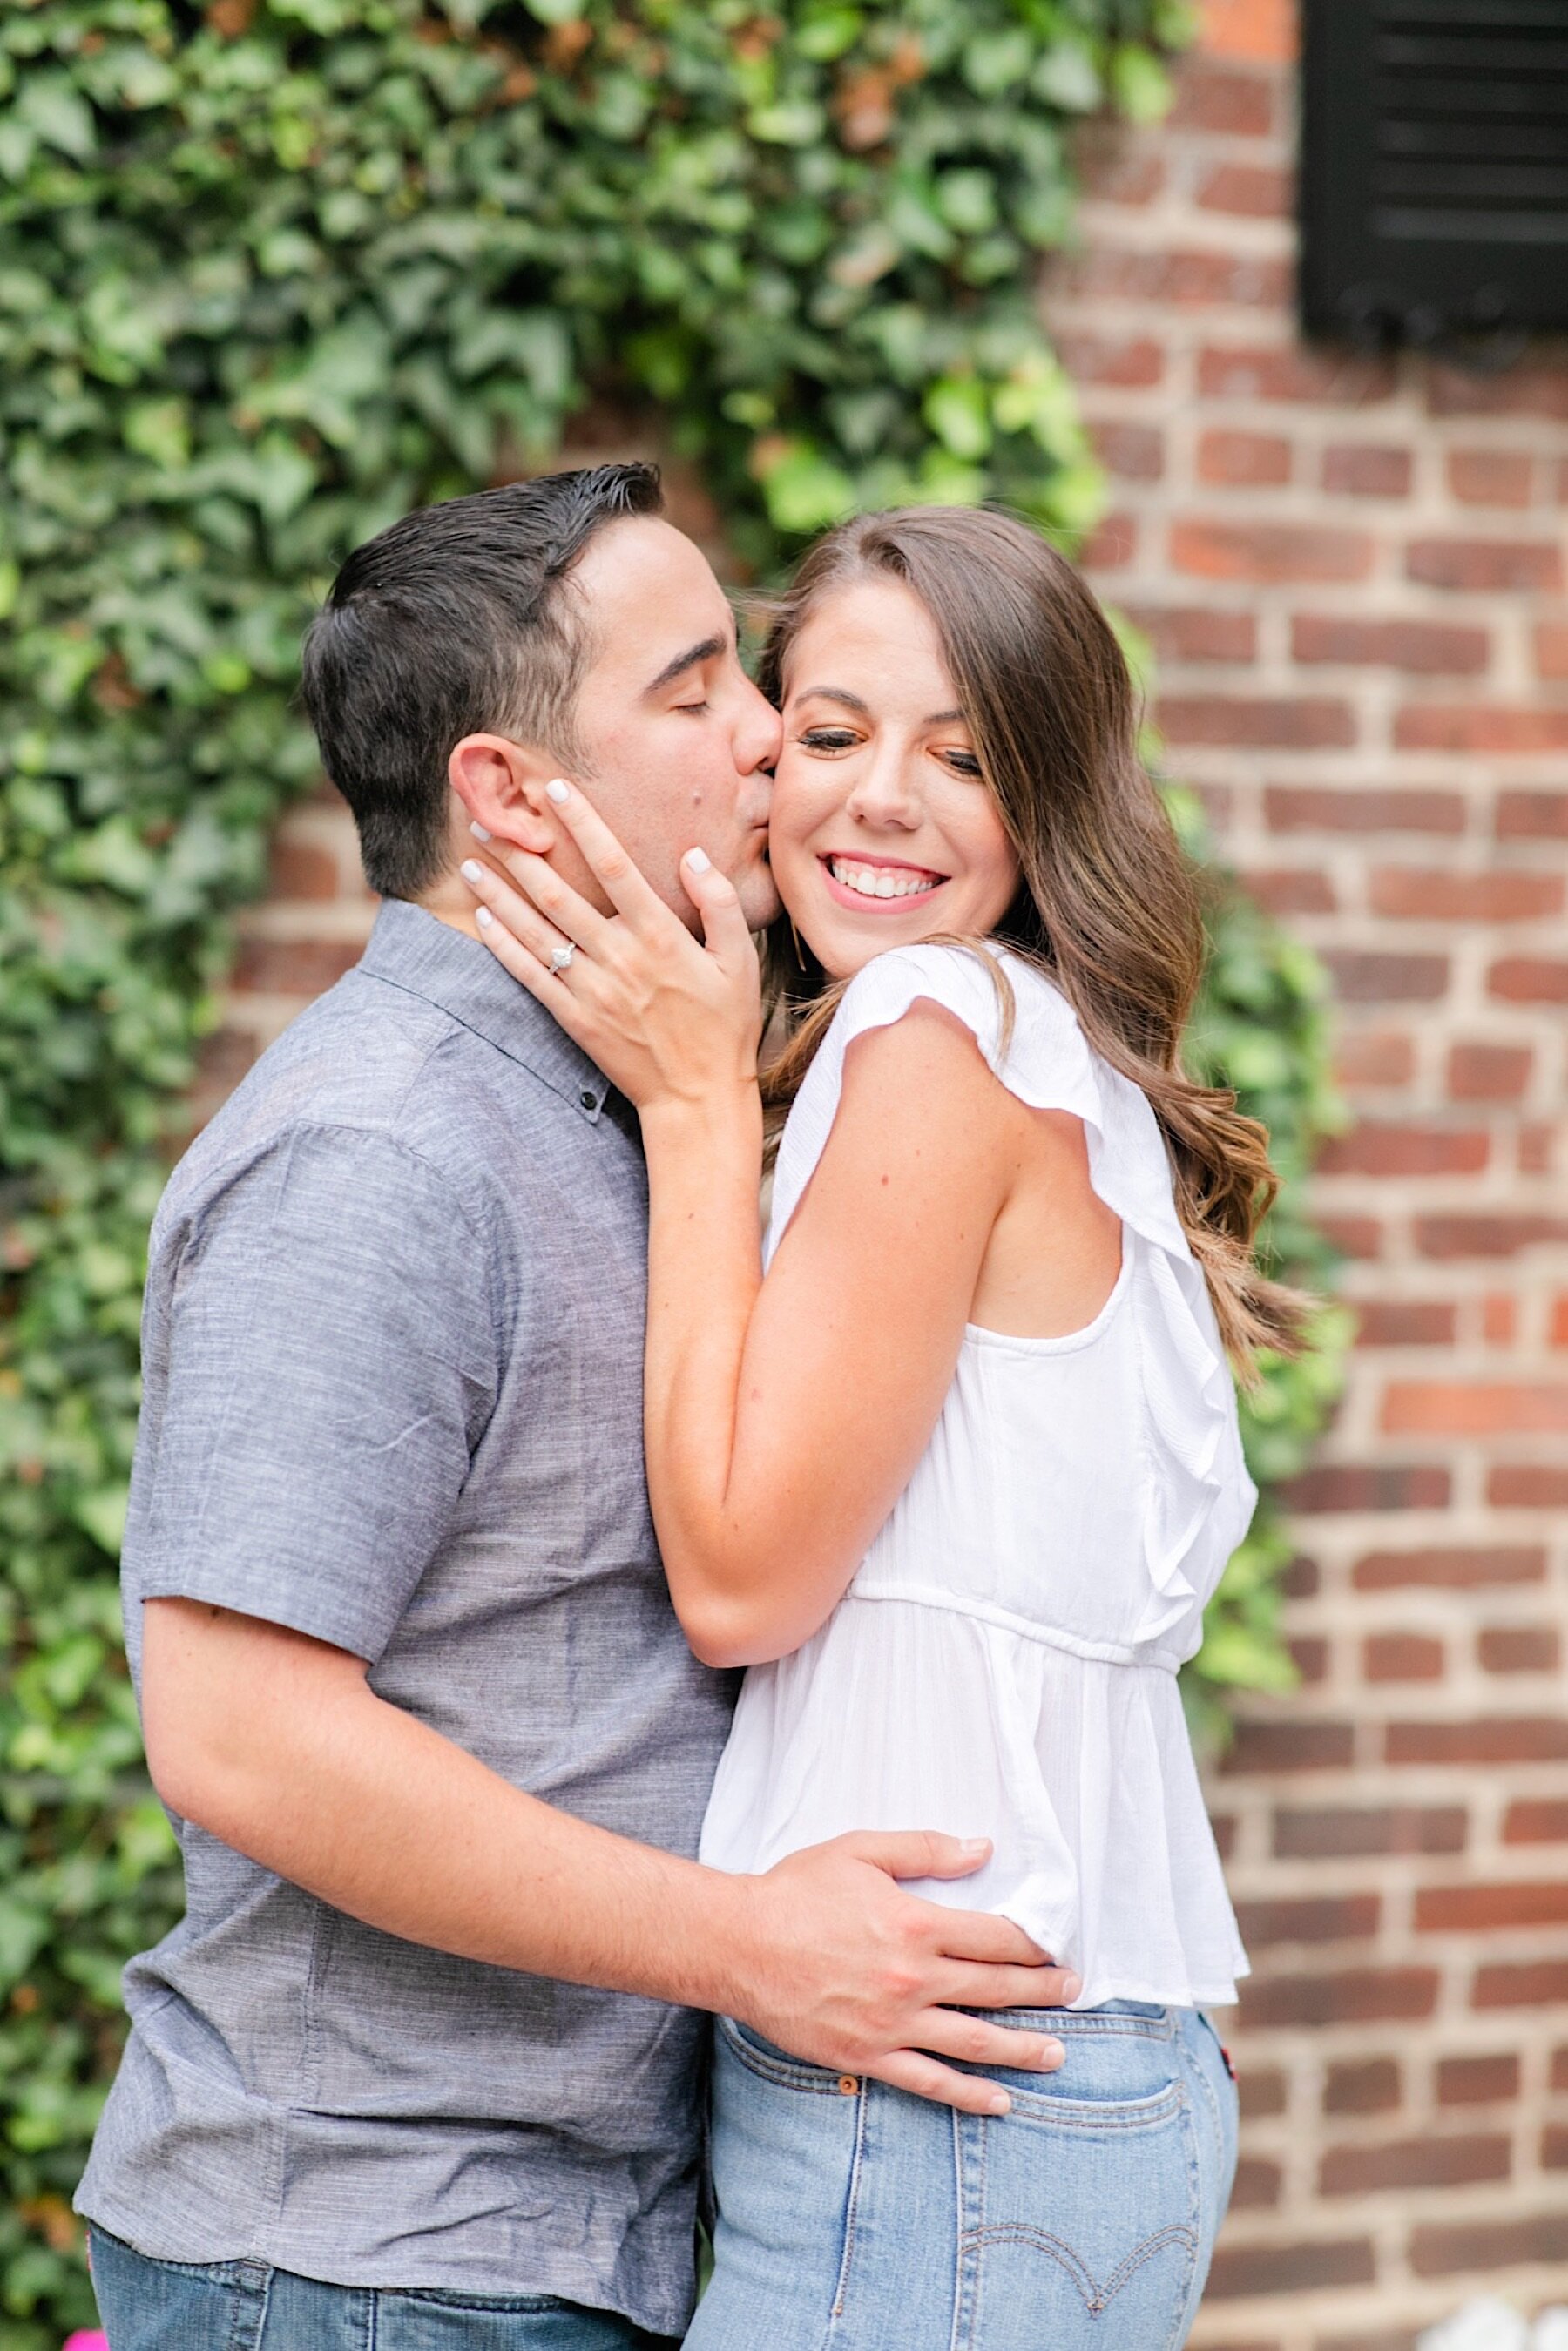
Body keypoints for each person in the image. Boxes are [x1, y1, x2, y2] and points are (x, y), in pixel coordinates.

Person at [75, 470, 1078, 2351]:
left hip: (533, 2248)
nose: (772, 734)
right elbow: (236, 1735)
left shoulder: (635, 1095)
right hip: (362, 2263)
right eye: (698, 692)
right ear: (510, 798)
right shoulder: (376, 1151)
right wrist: (757, 1945)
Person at [463, 503, 1312, 2349]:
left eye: (967, 756)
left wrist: (695, 1112)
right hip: (1055, 2072)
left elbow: (747, 1580)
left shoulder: (932, 1028)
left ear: (1049, 800)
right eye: (832, 734)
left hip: (936, 2084)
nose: (881, 803)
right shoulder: (1054, 1064)